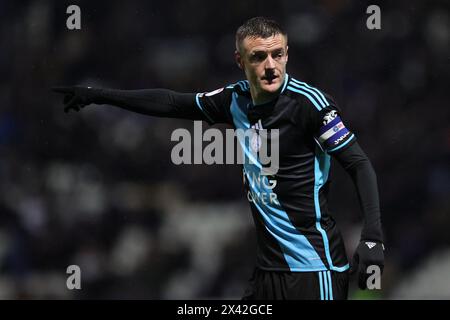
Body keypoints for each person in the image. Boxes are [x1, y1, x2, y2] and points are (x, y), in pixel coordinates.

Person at [53, 16, 384, 300]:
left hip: (315, 269)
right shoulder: (233, 100)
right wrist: (99, 96)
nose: (270, 66)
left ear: (286, 55)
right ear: (240, 61)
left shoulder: (309, 104)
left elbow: (358, 163)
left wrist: (373, 238)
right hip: (269, 272)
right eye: (258, 57)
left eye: (277, 55)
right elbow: (171, 103)